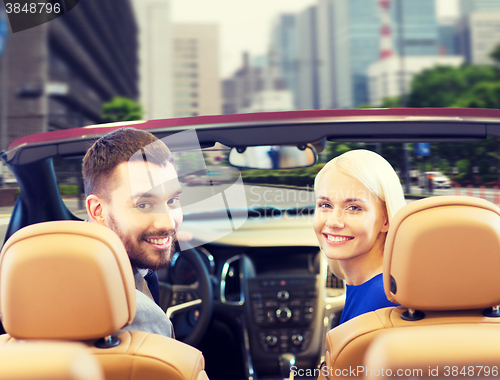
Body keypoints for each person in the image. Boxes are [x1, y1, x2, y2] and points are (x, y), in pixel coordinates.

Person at [83, 127, 182, 337]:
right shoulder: (135, 316)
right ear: (98, 211)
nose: (169, 223)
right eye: (144, 204)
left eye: (172, 201)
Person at [313, 149, 407, 324]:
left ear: (386, 219)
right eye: (325, 204)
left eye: (354, 208)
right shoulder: (376, 287)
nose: (333, 221)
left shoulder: (383, 301)